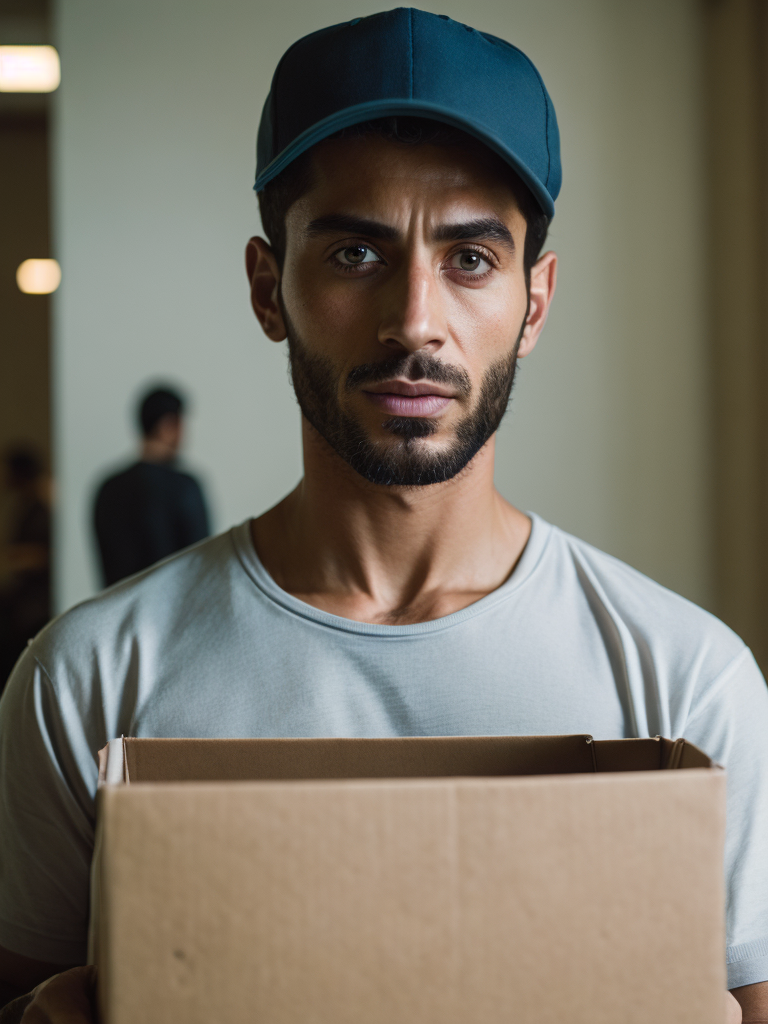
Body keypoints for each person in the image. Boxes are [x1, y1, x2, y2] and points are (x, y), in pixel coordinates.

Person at [0, 10, 765, 1022]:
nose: (414, 319)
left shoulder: (684, 683)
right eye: (356, 254)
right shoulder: (89, 679)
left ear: (536, 301)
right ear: (269, 288)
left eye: (471, 259)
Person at [92, 386, 210, 587]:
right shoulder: (184, 487)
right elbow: (202, 563)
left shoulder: (107, 488)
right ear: (168, 425)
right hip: (175, 615)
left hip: (118, 613)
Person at [0, 447, 51, 693]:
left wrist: (18, 557)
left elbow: (49, 554)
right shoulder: (26, 505)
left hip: (37, 600)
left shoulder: (44, 505)